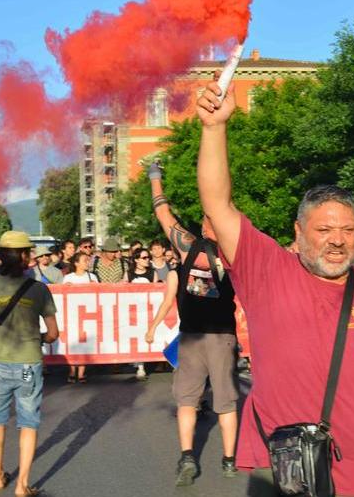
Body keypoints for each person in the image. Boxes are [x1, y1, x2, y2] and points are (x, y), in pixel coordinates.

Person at [194, 76, 354, 496]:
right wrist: (214, 128)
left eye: (348, 230)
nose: (337, 239)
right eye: (325, 229)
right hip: (279, 469)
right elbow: (217, 204)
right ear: (298, 233)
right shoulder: (266, 269)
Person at [148, 160, 241, 484]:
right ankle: (229, 461)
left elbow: (163, 213)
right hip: (222, 338)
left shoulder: (187, 246)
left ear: (204, 226)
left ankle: (187, 457)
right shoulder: (234, 253)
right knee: (226, 401)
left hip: (190, 338)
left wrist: (155, 177)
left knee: (187, 401)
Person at [0, 231, 59, 496]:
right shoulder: (39, 289)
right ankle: (22, 485)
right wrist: (37, 338)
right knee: (28, 422)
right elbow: (54, 333)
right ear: (23, 256)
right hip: (28, 366)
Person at [62, 252, 98, 384]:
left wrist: (96, 287)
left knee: (85, 342)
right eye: (84, 260)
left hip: (88, 314)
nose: (87, 263)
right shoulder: (68, 278)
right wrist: (65, 288)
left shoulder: (92, 277)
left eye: (88, 260)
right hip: (72, 313)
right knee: (72, 341)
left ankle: (81, 372)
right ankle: (72, 370)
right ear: (76, 263)